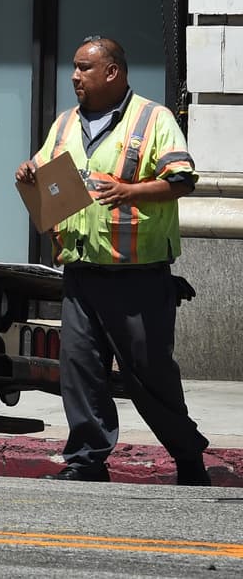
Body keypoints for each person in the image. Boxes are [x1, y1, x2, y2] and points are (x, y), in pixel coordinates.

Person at [14, 36, 209, 486]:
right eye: (75, 67)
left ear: (112, 72)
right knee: (80, 371)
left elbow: (183, 179)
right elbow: (50, 180)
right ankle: (86, 460)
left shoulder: (153, 118)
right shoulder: (65, 124)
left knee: (149, 377)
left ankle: (188, 456)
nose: (74, 76)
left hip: (137, 276)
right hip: (81, 271)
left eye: (84, 68)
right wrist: (29, 173)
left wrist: (130, 191)